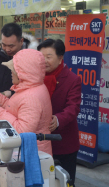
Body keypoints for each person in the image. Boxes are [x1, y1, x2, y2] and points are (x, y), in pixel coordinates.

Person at [0, 49, 53, 155]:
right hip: (31, 151)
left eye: (13, 70)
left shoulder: (31, 97)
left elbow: (22, 131)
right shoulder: (31, 87)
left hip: (30, 155)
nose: (11, 73)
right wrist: (0, 99)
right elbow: (17, 109)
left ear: (23, 74)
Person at [38, 39, 81, 186]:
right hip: (39, 142)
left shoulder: (72, 79)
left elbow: (73, 107)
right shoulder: (36, 77)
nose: (44, 61)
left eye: (48, 57)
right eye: (41, 56)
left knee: (64, 181)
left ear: (60, 57)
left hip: (64, 142)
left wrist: (58, 119)